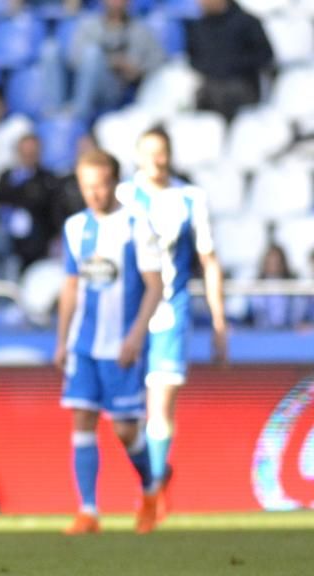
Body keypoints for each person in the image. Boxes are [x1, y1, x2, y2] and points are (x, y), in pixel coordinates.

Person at [54, 148, 163, 535]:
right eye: (87, 187)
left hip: (122, 344)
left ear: (114, 183)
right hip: (84, 344)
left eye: (100, 186)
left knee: (125, 430)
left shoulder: (137, 225)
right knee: (82, 419)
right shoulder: (74, 227)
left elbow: (155, 286)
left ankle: (150, 489)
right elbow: (70, 286)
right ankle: (88, 511)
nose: (94, 194)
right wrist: (62, 340)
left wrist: (136, 335)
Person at [116, 127, 226, 508]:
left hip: (171, 312)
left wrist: (219, 321)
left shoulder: (190, 198)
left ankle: (154, 491)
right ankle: (153, 476)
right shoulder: (124, 196)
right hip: (130, 316)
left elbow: (209, 261)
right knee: (125, 417)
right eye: (149, 153)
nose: (156, 160)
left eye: (162, 152)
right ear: (138, 157)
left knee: (160, 406)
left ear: (170, 154)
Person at [59, 0, 165, 120]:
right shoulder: (89, 25)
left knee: (93, 55)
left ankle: (78, 114)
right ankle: (76, 113)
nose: (116, 3)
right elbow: (74, 58)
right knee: (90, 54)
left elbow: (159, 61)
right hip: (87, 82)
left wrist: (138, 71)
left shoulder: (140, 30)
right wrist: (112, 62)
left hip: (117, 89)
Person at [188, 0, 273, 121]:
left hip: (243, 85)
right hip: (210, 85)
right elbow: (194, 59)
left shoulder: (248, 22)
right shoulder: (197, 27)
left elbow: (265, 56)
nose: (202, 3)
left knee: (222, 94)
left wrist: (231, 64)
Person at [0, 133, 63, 271]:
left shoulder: (48, 180)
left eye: (32, 152)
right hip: (6, 236)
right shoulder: (6, 176)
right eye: (25, 152)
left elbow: (45, 205)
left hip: (36, 238)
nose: (28, 156)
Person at [248, 241, 308, 330]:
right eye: (270, 261)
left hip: (289, 334)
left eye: (277, 261)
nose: (273, 265)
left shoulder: (292, 286)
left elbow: (299, 314)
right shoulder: (256, 286)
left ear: (283, 263)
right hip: (262, 334)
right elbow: (249, 316)